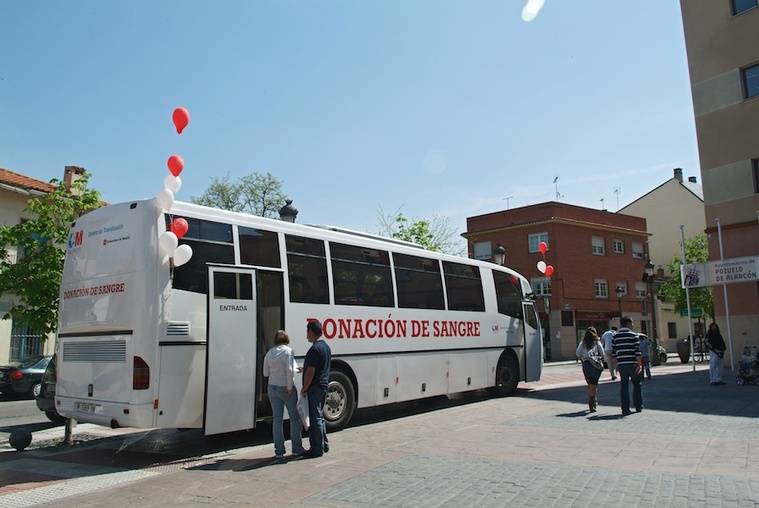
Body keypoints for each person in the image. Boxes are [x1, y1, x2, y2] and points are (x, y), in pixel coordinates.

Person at [263, 330, 305, 459]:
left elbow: (265, 373)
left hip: (272, 388)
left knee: (277, 420)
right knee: (294, 418)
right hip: (286, 389)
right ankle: (297, 449)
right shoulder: (288, 351)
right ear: (287, 339)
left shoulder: (269, 353)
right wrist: (289, 387)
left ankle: (279, 452)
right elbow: (289, 369)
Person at [301, 320, 331, 458]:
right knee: (320, 417)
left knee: (315, 418)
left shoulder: (314, 349)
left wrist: (304, 388)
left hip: (315, 387)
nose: (306, 335)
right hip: (323, 385)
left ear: (311, 332)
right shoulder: (325, 346)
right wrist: (304, 368)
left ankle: (316, 449)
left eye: (307, 332)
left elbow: (311, 372)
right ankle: (324, 444)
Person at [612, 317, 643, 416]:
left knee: (624, 386)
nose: (633, 325)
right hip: (633, 363)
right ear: (628, 323)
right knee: (637, 384)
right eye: (632, 323)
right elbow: (637, 351)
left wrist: (616, 365)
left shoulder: (615, 336)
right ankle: (638, 405)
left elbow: (614, 353)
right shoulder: (634, 336)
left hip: (622, 364)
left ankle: (625, 409)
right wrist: (639, 364)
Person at [576, 326, 604, 412]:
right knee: (594, 385)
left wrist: (581, 358)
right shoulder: (596, 342)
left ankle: (592, 401)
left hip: (586, 364)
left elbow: (578, 353)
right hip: (595, 365)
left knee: (590, 384)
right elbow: (602, 353)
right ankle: (593, 403)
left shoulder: (583, 343)